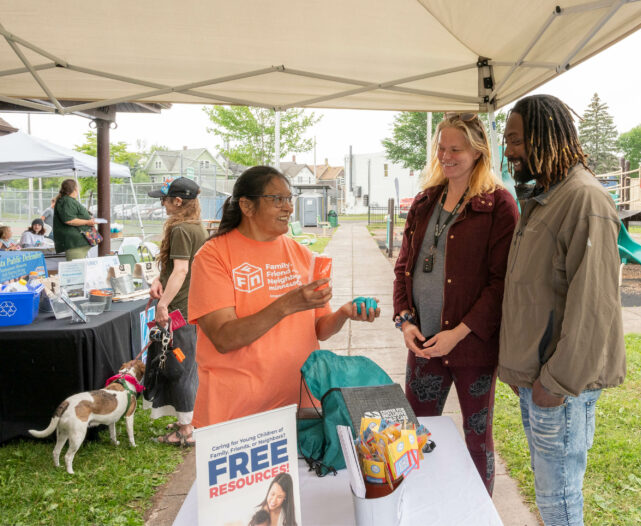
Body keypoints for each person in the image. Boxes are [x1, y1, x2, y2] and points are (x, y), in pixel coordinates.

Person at [499, 94, 626, 525]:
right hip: (536, 381)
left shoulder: (585, 200)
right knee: (549, 493)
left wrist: (556, 384)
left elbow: (594, 308)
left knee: (560, 501)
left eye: (516, 140)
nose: (509, 151)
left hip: (559, 388)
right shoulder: (545, 197)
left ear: (543, 135)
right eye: (507, 141)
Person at [188, 166, 380, 428]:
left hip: (301, 406)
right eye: (277, 199)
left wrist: (344, 313)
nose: (288, 208)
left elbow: (320, 330)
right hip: (236, 414)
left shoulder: (302, 255)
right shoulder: (213, 256)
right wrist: (288, 304)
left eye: (290, 199)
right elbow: (224, 337)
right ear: (246, 205)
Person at [392, 112, 518, 494]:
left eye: (455, 149)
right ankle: (414, 505)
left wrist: (458, 333)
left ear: (479, 151)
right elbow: (403, 268)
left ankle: (478, 514)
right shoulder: (425, 201)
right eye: (441, 148)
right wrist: (406, 322)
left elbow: (500, 285)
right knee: (414, 433)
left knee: (477, 437)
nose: (446, 156)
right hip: (424, 343)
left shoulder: (499, 205)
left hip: (473, 349)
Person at [143, 177, 207, 447]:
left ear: (178, 201)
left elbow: (181, 271)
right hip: (189, 307)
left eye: (164, 199)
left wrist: (163, 305)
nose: (162, 203)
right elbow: (175, 269)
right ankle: (186, 420)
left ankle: (186, 429)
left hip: (180, 310)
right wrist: (159, 279)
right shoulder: (194, 227)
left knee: (178, 367)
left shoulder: (181, 229)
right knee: (185, 366)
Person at [53, 179, 95, 260]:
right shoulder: (66, 201)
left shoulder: (69, 200)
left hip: (80, 242)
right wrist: (88, 222)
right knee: (76, 270)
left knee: (81, 269)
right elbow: (69, 220)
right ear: (75, 188)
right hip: (75, 244)